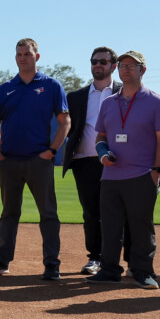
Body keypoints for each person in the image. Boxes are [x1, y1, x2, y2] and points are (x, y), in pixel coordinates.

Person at [0, 38, 70, 281]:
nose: (23, 57)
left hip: (39, 160)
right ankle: (2, 261)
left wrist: (52, 151)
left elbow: (65, 122)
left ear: (37, 57)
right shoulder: (4, 89)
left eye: (27, 54)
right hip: (9, 161)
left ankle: (52, 264)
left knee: (49, 214)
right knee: (8, 214)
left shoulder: (51, 85)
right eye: (19, 54)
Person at [88, 51, 160, 289]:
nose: (126, 69)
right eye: (123, 65)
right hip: (111, 176)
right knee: (111, 226)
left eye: (131, 66)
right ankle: (109, 269)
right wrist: (103, 153)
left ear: (142, 70)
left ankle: (143, 271)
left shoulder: (156, 101)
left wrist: (156, 170)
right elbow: (101, 137)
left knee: (141, 227)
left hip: (142, 174)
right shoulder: (108, 103)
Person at [61, 47, 125, 275]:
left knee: (120, 211)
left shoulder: (124, 93)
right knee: (91, 212)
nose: (98, 65)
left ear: (113, 66)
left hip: (119, 162)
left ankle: (122, 259)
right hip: (85, 161)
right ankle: (95, 258)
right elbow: (69, 127)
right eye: (94, 61)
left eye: (103, 62)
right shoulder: (76, 97)